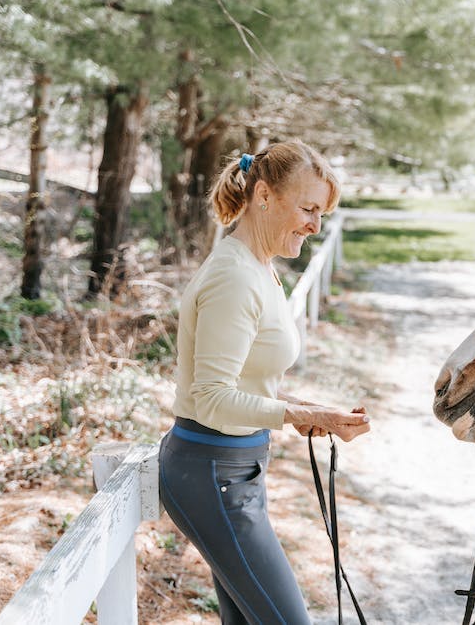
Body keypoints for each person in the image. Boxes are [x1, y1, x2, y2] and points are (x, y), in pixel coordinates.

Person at [158, 140, 371, 625]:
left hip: (235, 470)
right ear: (264, 197)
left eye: (322, 213)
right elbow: (210, 398)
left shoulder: (260, 270)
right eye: (308, 209)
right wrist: (295, 415)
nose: (316, 225)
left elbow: (245, 382)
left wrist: (311, 411)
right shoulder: (234, 278)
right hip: (211, 472)